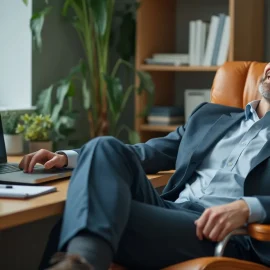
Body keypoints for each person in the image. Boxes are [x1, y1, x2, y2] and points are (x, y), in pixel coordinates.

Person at [20, 63, 270, 270]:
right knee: (104, 145)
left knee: (75, 223)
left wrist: (248, 208)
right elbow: (148, 152)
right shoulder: (209, 116)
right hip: (169, 209)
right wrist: (68, 158)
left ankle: (83, 262)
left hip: (224, 233)